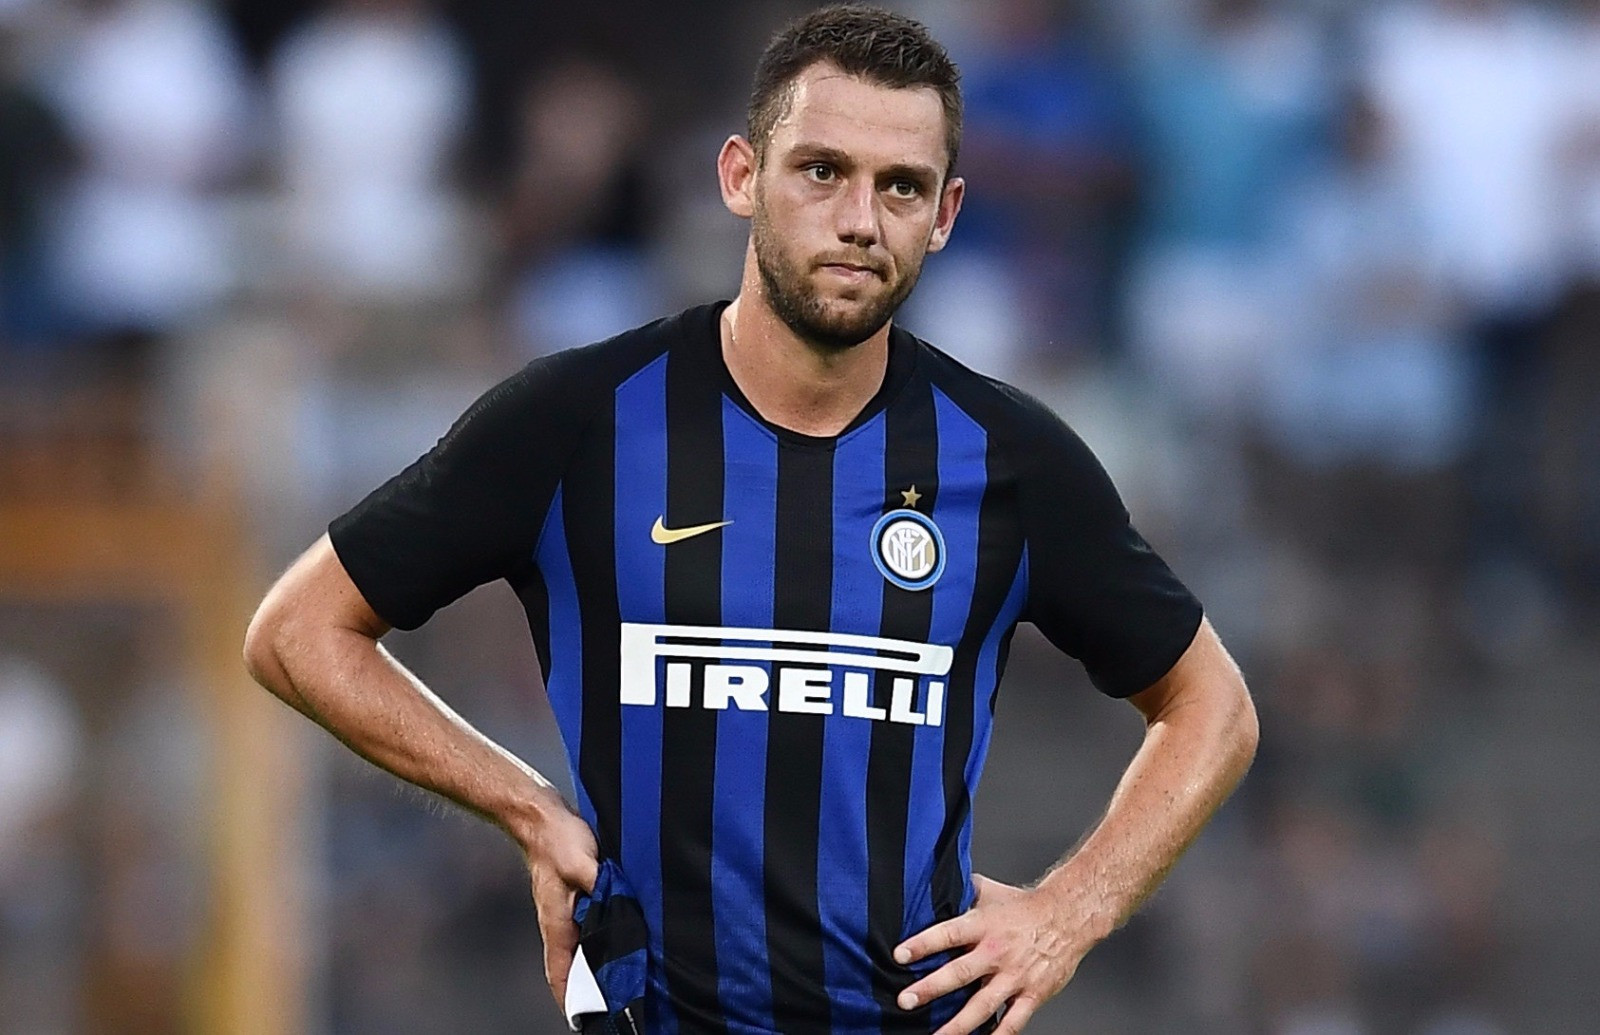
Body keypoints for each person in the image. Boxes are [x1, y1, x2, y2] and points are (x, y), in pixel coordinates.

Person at [243, 6, 1258, 1034]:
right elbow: (297, 631)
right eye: (822, 171)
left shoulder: (1008, 458)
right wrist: (521, 804)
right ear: (740, 176)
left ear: (946, 213)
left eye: (901, 187)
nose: (859, 220)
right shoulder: (580, 421)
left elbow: (1212, 707)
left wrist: (1066, 915)